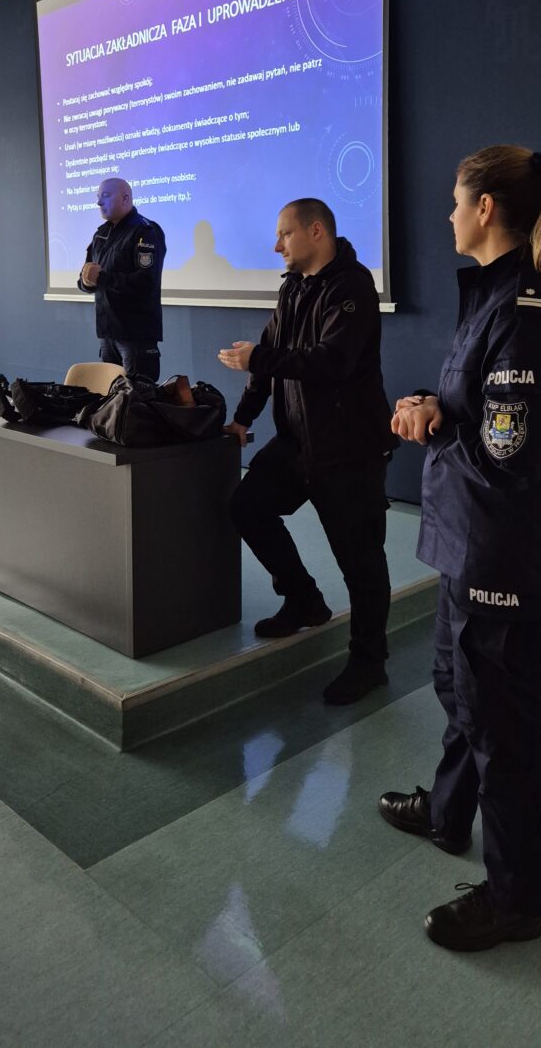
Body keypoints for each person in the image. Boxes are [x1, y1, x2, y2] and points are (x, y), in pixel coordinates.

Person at [379, 145, 541, 952]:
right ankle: (448, 814)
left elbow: (510, 460)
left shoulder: (521, 312)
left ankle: (520, 898)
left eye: (456, 200)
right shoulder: (497, 297)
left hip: (501, 552)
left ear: (485, 209)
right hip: (471, 541)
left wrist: (437, 427)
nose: (448, 214)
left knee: (501, 722)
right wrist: (437, 407)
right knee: (459, 685)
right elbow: (489, 416)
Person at [218, 198, 396, 706]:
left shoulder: (353, 287)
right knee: (247, 506)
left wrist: (261, 357)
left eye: (284, 234)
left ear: (316, 231)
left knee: (361, 563)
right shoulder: (293, 288)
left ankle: (369, 663)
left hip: (349, 450)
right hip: (299, 443)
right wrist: (242, 419)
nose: (277, 245)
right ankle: (304, 601)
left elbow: (331, 361)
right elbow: (266, 361)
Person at [78, 177, 166, 381]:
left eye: (106, 196)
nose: (99, 202)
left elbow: (146, 282)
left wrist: (101, 278)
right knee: (111, 396)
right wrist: (86, 282)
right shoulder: (101, 234)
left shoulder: (145, 231)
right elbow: (87, 278)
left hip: (135, 336)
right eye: (98, 197)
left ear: (125, 198)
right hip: (107, 334)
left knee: (137, 398)